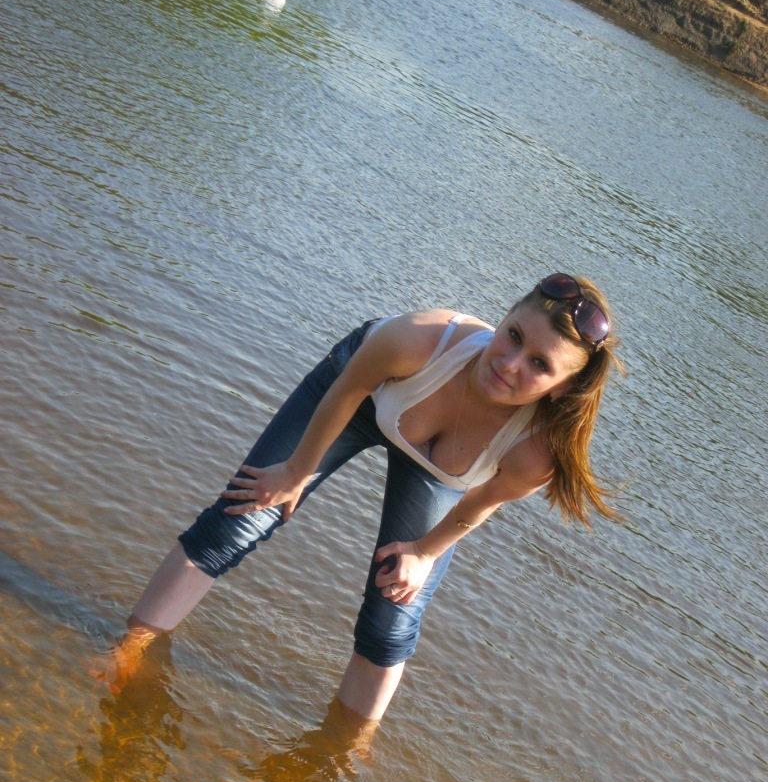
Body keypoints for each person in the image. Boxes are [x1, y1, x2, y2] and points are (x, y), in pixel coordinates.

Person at [97, 273, 623, 720]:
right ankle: (131, 648)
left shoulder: (537, 452)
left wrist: (423, 553)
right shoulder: (419, 339)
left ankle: (349, 746)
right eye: (513, 336)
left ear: (561, 387)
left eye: (539, 364)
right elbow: (347, 389)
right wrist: (297, 470)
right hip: (361, 398)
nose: (509, 363)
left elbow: (479, 505)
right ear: (504, 316)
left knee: (395, 608)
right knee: (245, 513)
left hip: (440, 474)